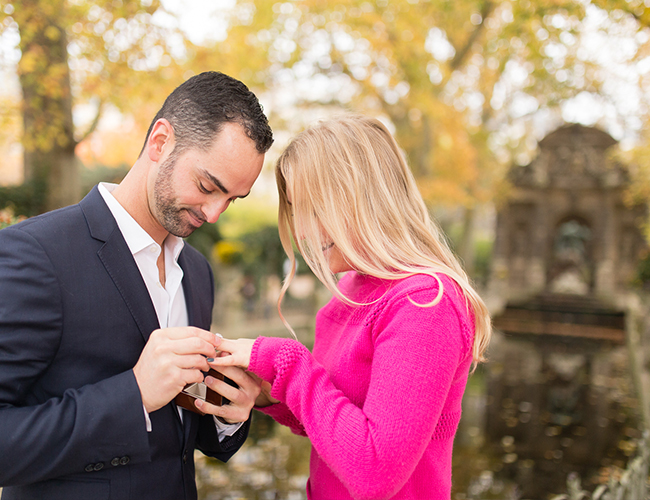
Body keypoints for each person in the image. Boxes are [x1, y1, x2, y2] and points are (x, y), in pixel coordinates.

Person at [0, 71, 273, 500]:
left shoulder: (197, 272)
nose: (215, 214)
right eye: (207, 186)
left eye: (233, 199)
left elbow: (174, 435)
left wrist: (228, 413)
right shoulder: (34, 254)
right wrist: (133, 395)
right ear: (160, 142)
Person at [206, 114, 492, 499]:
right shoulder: (351, 290)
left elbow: (375, 470)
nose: (302, 230)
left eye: (313, 208)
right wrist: (270, 393)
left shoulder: (424, 303)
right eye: (296, 210)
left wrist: (286, 361)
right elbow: (338, 425)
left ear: (363, 197)